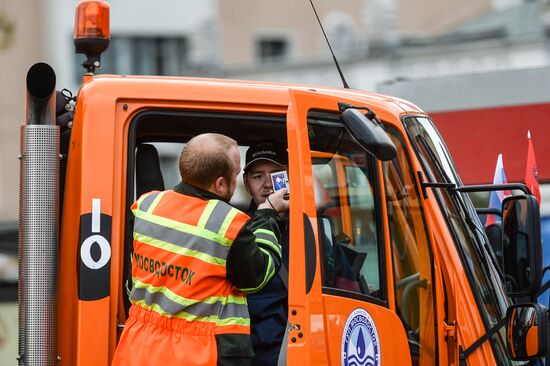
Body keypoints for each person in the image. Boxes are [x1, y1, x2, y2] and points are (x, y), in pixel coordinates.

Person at [112, 133, 288, 366]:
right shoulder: (228, 224)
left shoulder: (145, 206)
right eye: (236, 175)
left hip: (139, 347)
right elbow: (257, 275)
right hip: (196, 352)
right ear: (221, 184)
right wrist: (267, 215)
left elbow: (130, 283)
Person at [242, 142, 290, 366]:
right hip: (258, 351)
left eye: (276, 174)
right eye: (258, 176)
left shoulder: (309, 225)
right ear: (246, 182)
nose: (269, 184)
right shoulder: (238, 229)